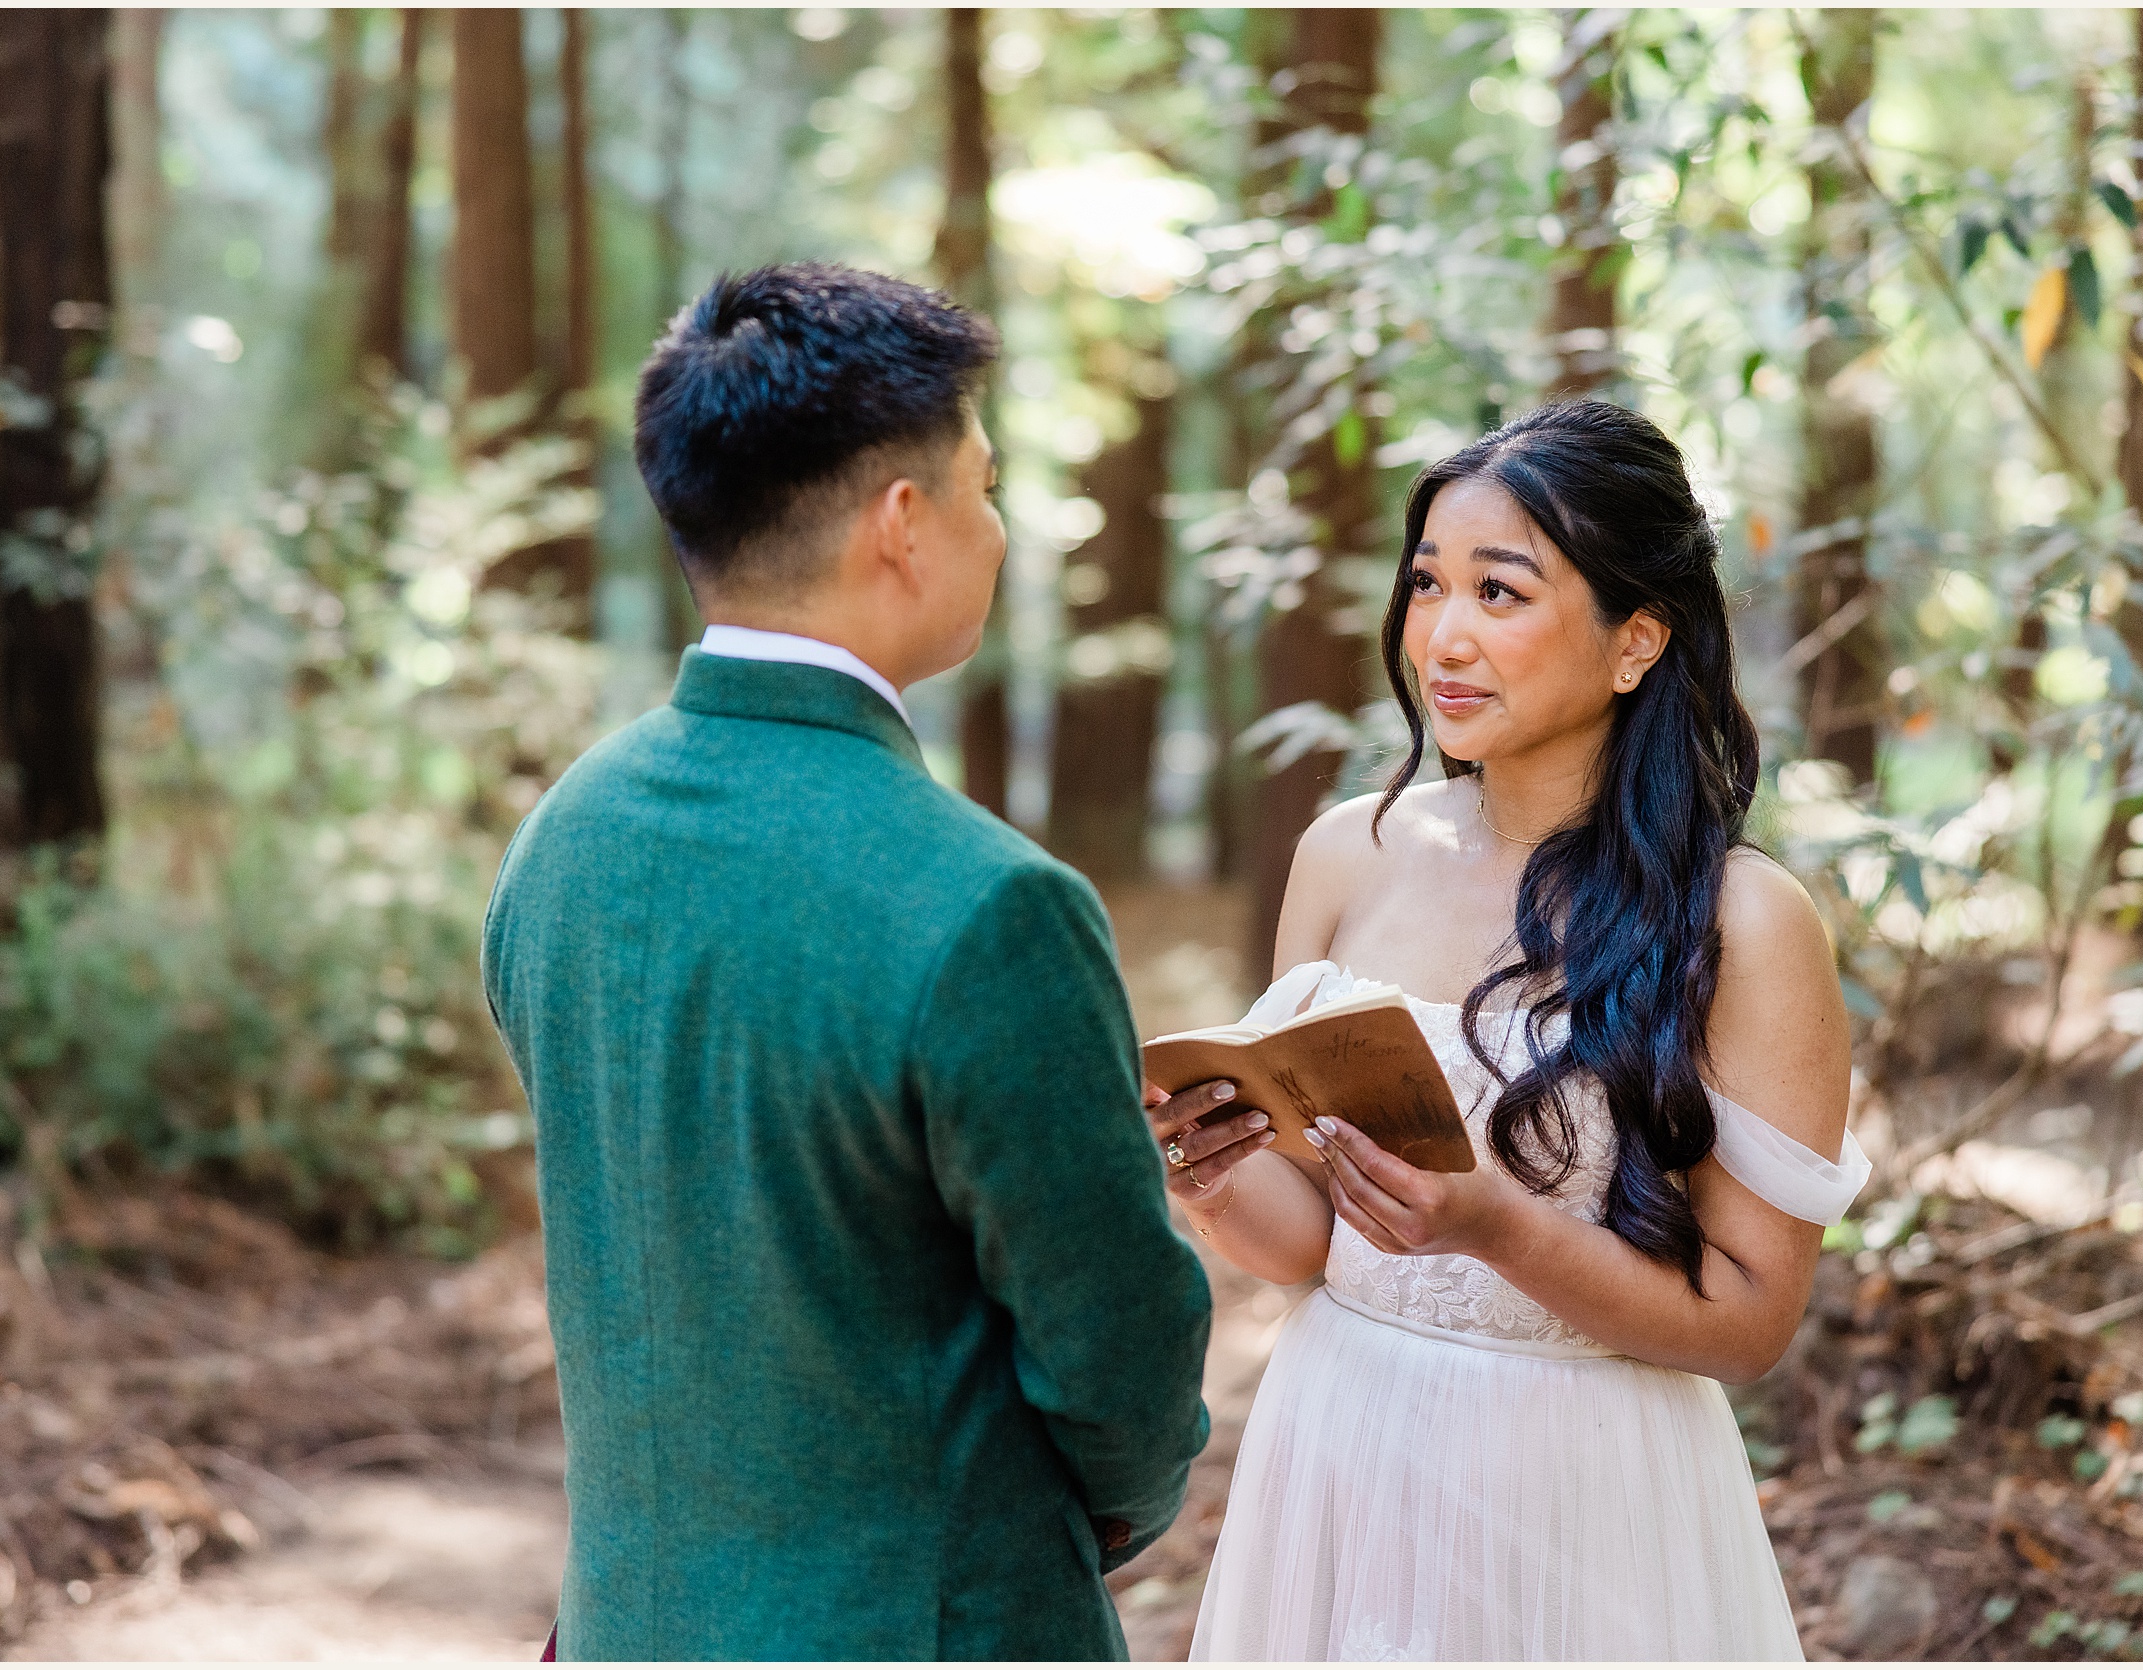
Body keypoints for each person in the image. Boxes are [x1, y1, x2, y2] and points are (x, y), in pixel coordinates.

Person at [481, 263, 1217, 1661]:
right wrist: (1103, 1508)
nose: (997, 531)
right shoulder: (991, 905)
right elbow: (1117, 1343)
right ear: (903, 524)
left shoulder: (562, 838)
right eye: (984, 486)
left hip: (629, 1617)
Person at [1161, 400, 1870, 1661]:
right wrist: (1213, 1178)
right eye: (1427, 583)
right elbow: (1318, 1245)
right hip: (1338, 1442)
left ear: (1634, 640)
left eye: (1501, 591)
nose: (1441, 634)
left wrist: (1495, 1225)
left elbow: (1750, 1319)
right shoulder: (1348, 853)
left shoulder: (1746, 921)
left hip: (1581, 1485)